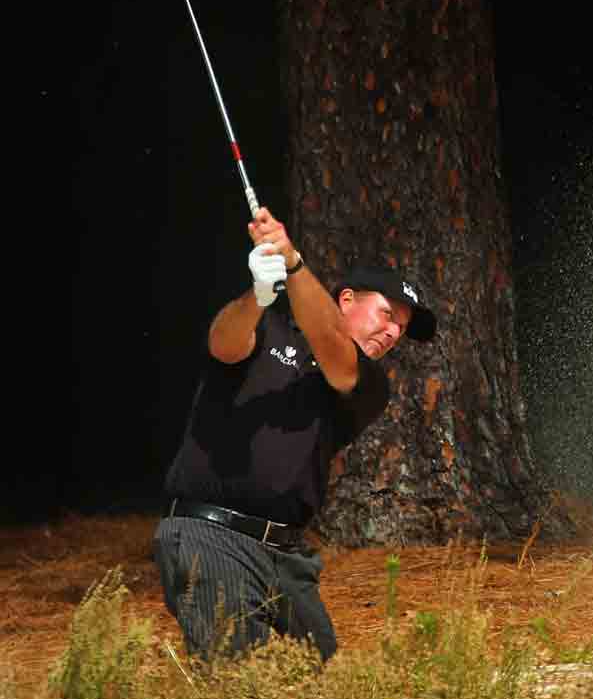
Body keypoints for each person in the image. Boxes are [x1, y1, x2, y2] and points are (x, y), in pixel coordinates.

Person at [152, 207, 436, 661]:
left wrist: (293, 262)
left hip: (284, 558)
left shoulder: (369, 385)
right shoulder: (268, 327)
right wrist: (260, 294)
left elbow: (338, 360)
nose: (392, 332)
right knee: (245, 693)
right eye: (386, 315)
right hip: (210, 535)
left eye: (401, 328)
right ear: (346, 300)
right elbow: (223, 343)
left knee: (317, 684)